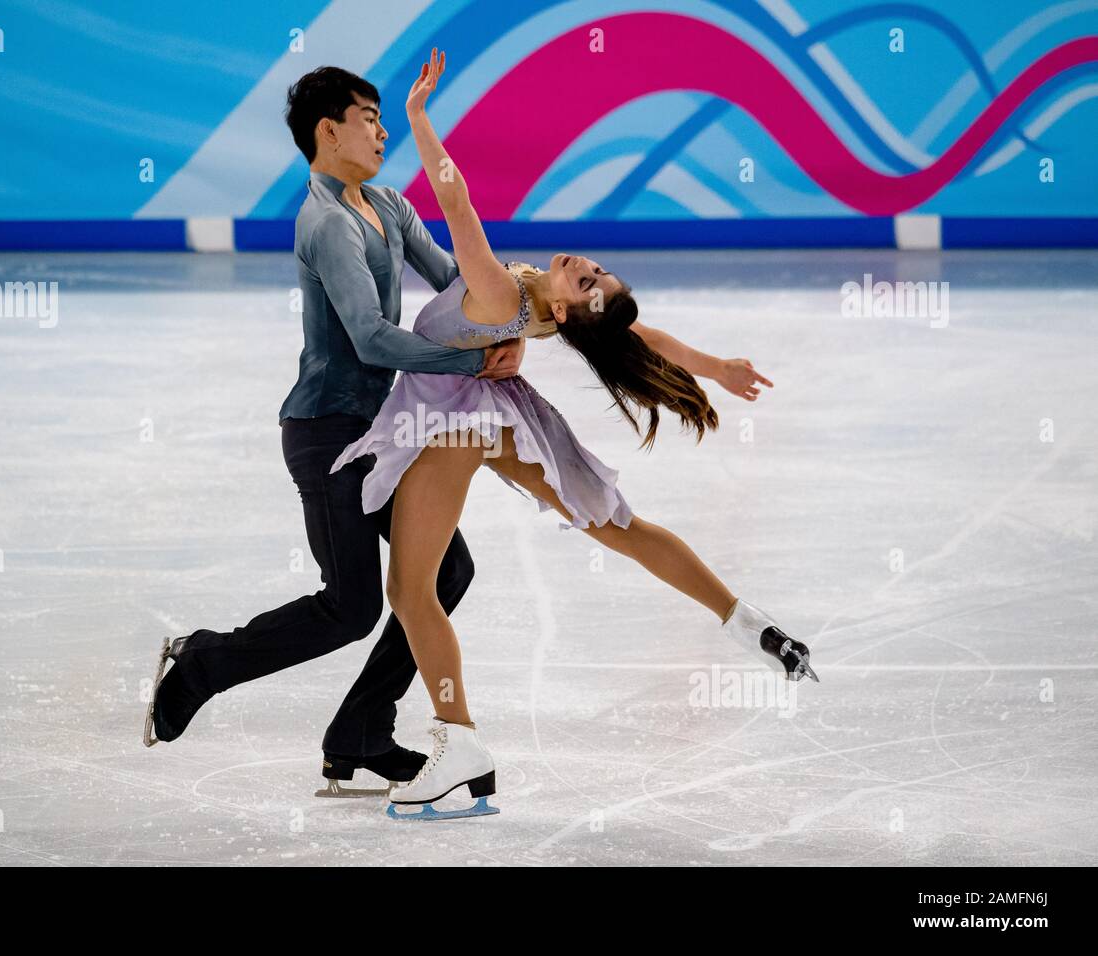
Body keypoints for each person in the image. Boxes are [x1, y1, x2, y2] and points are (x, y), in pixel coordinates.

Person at [328, 50, 818, 817]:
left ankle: (459, 745)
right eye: (597, 270)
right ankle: (743, 620)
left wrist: (420, 116)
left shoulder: (500, 292)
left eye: (590, 283)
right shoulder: (549, 310)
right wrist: (714, 366)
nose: (586, 267)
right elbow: (639, 337)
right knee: (617, 526)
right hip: (495, 410)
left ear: (575, 309)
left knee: (410, 588)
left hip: (452, 417)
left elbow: (455, 204)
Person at [143, 66, 525, 798]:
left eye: (385, 120)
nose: (383, 133)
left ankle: (361, 728)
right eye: (370, 118)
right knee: (351, 605)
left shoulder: (386, 204)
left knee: (446, 572)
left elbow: (456, 286)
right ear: (329, 130)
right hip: (325, 431)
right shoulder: (324, 222)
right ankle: (202, 664)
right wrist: (474, 358)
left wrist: (511, 318)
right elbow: (373, 339)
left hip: (380, 430)